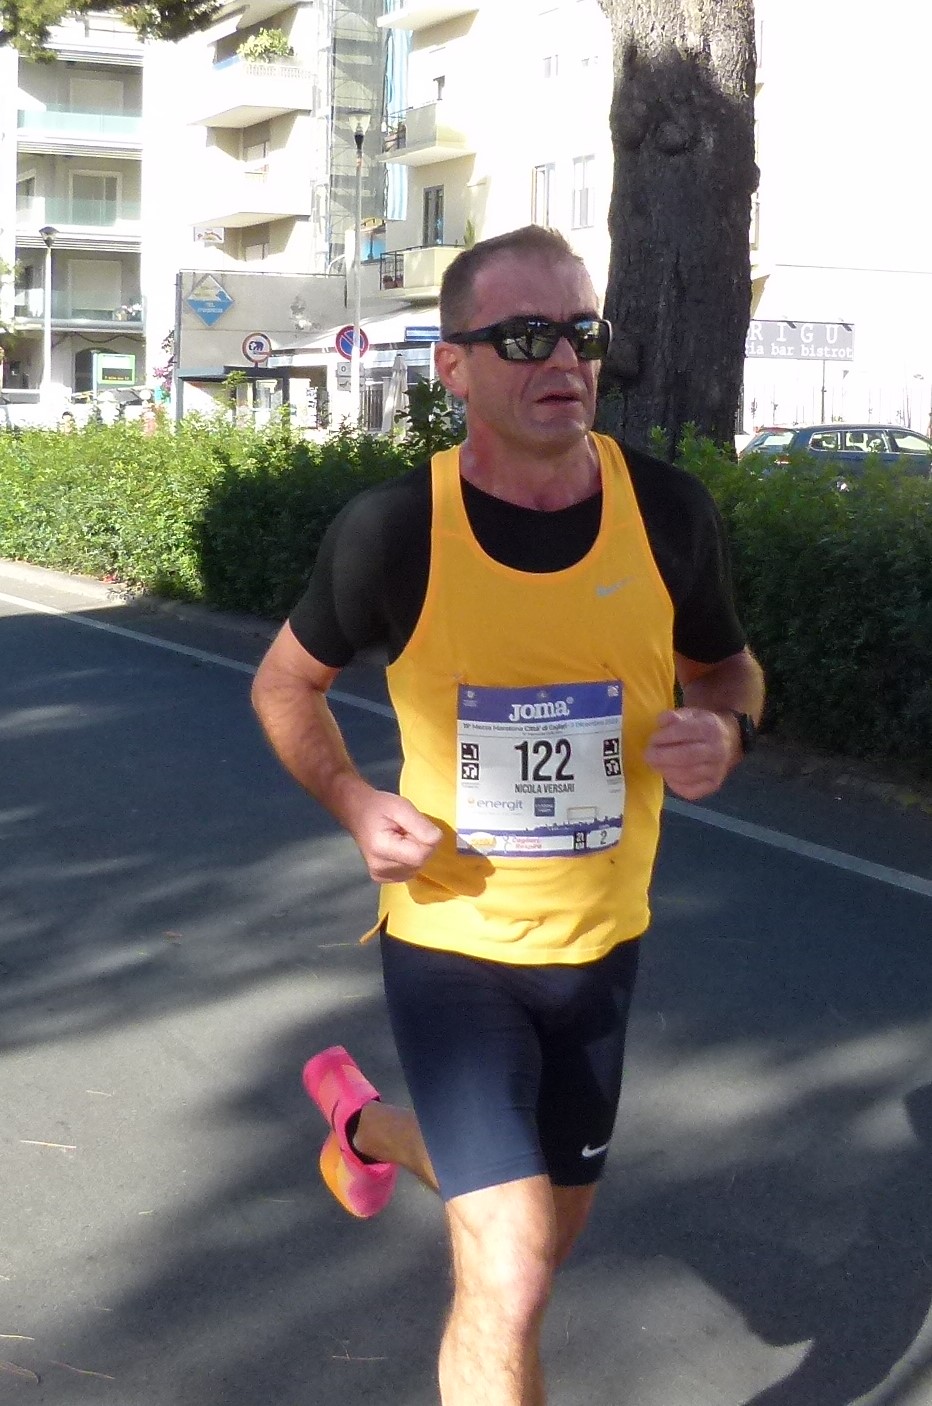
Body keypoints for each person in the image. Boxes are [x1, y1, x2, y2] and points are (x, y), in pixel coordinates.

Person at [251, 224, 765, 1406]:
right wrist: (353, 799)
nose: (563, 359)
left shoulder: (667, 512)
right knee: (514, 1262)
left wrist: (727, 727)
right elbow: (283, 682)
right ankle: (399, 1136)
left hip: (601, 946)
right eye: (524, 335)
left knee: (540, 1233)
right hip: (452, 948)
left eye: (580, 332)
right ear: (453, 366)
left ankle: (368, 1127)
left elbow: (727, 667)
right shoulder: (393, 530)